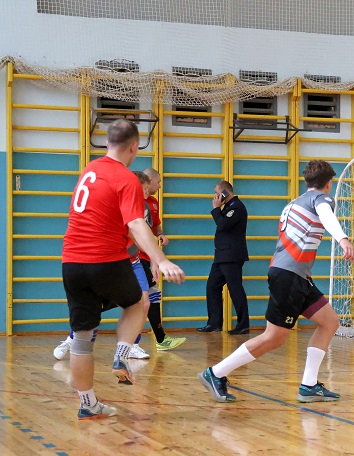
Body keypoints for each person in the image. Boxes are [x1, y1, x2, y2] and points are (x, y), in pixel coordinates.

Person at [197, 160, 354, 404]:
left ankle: (309, 385)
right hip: (289, 275)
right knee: (274, 337)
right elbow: (326, 215)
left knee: (329, 322)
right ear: (329, 184)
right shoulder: (321, 199)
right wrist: (343, 239)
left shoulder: (294, 203)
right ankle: (216, 373)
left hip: (296, 275)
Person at [62, 119, 184, 420]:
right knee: (140, 302)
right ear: (134, 147)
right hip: (105, 260)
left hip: (71, 263)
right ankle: (121, 356)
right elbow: (136, 223)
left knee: (82, 338)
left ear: (107, 143)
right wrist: (162, 260)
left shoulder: (89, 170)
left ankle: (88, 403)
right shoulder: (126, 178)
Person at [137, 168, 186, 351]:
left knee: (149, 295)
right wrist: (157, 261)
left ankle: (158, 339)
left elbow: (154, 226)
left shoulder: (153, 202)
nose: (159, 186)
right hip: (133, 257)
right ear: (147, 182)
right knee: (141, 298)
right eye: (157, 182)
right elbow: (136, 232)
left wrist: (160, 235)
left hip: (144, 256)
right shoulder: (132, 202)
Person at [197, 180, 250, 335]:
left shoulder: (236, 207)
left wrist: (215, 209)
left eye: (217, 193)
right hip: (222, 255)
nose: (215, 197)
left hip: (231, 256)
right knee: (212, 286)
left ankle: (243, 325)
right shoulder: (227, 207)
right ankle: (214, 323)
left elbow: (222, 225)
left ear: (225, 192)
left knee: (235, 289)